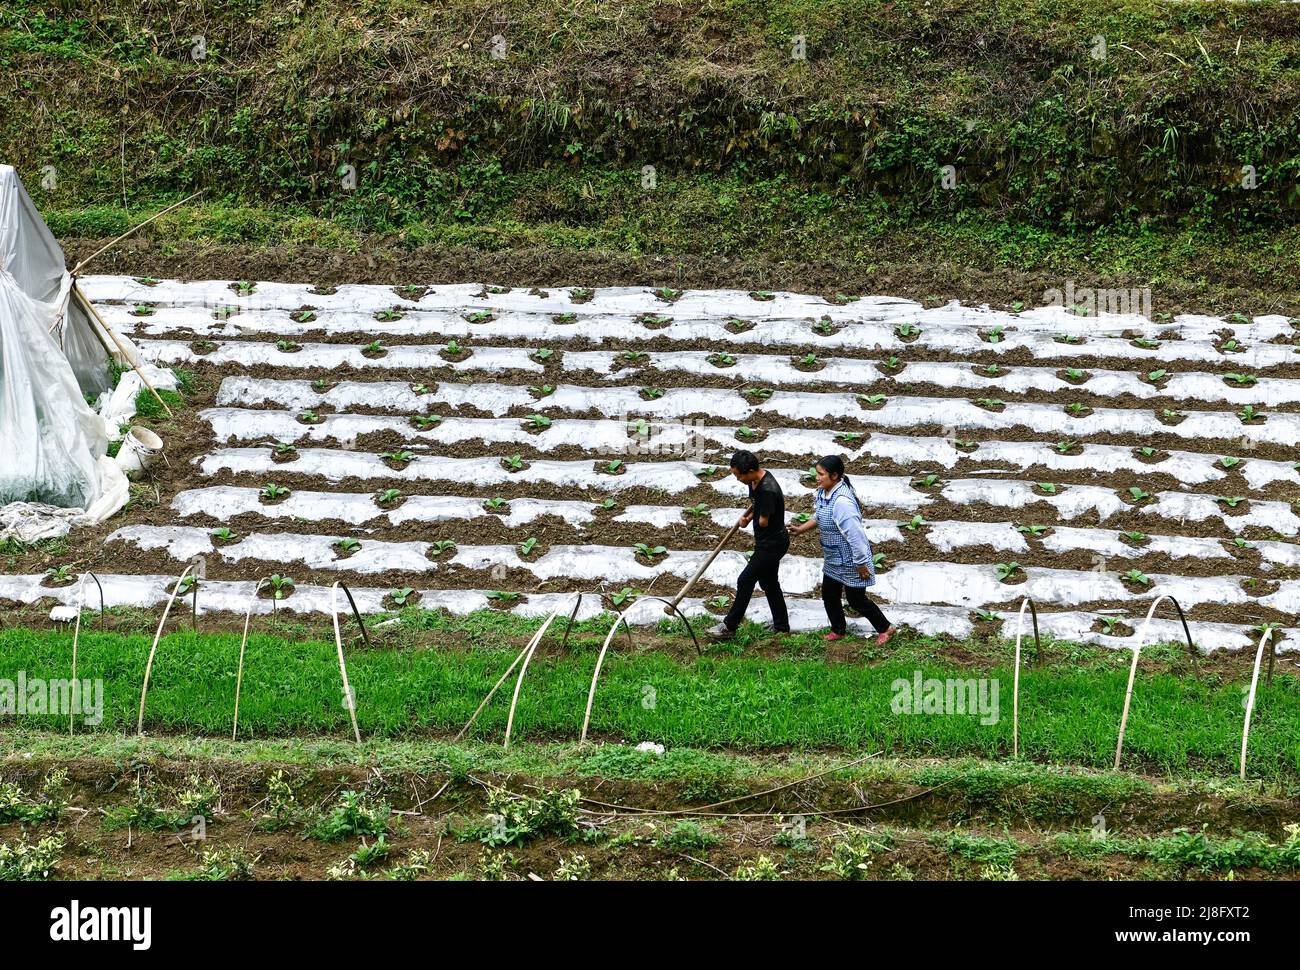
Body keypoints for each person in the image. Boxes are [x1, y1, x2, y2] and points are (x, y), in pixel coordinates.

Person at [789, 455, 897, 644]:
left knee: (856, 600)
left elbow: (856, 537)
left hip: (851, 559)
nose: (817, 478)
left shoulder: (842, 502)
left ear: (835, 476)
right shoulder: (824, 492)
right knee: (829, 595)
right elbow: (820, 516)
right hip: (833, 557)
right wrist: (801, 529)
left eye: (821, 474)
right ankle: (838, 630)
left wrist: (861, 564)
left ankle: (886, 628)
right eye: (817, 474)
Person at [710, 450, 790, 638]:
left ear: (752, 470)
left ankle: (729, 627)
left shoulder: (768, 489)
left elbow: (764, 520)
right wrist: (747, 517)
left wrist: (755, 517)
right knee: (769, 583)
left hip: (773, 544)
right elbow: (757, 505)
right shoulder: (755, 481)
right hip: (766, 541)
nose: (738, 479)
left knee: (745, 580)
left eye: (739, 476)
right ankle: (782, 627)